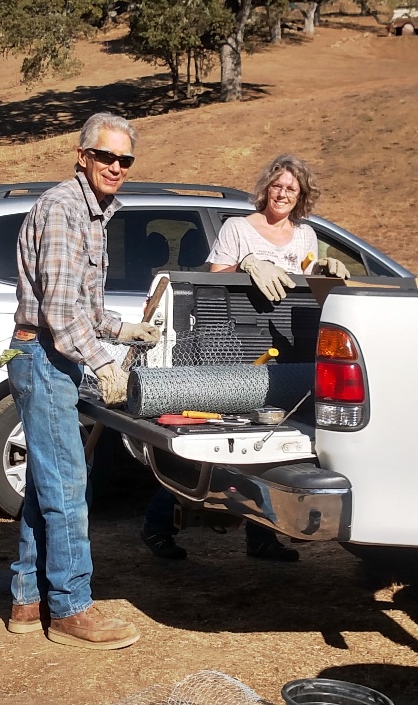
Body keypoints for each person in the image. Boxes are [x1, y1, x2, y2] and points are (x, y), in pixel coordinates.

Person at [139, 153, 349, 563]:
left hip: (285, 347)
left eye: (292, 188)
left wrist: (322, 269)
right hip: (232, 347)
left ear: (301, 194)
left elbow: (305, 286)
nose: (283, 193)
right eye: (277, 185)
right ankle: (157, 525)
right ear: (266, 188)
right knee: (210, 445)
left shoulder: (305, 235)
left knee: (270, 448)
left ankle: (261, 538)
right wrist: (247, 264)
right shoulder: (238, 228)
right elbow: (213, 283)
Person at [6, 112, 159, 650]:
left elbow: (86, 311)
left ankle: (27, 599)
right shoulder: (64, 210)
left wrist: (126, 330)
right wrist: (105, 364)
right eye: (106, 156)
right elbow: (59, 315)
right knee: (70, 486)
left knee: (49, 482)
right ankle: (71, 607)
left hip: (53, 357)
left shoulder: (95, 215)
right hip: (43, 356)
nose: (116, 167)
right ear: (82, 156)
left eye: (125, 160)